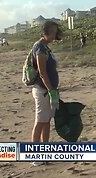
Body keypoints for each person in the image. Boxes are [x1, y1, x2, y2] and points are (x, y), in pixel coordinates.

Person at [30, 21, 62, 166]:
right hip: (43, 90)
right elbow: (42, 73)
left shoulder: (46, 48)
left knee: (47, 121)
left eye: (56, 31)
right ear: (46, 32)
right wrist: (51, 91)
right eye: (53, 32)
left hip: (49, 90)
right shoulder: (40, 48)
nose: (55, 34)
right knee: (40, 121)